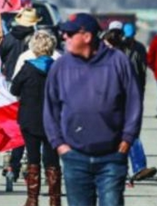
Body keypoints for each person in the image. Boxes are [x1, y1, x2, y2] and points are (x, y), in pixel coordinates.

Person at [44, 13, 143, 206]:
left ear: (87, 37)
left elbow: (133, 102)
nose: (64, 37)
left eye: (70, 34)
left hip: (112, 156)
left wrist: (127, 139)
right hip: (74, 157)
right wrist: (59, 144)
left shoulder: (118, 61)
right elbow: (50, 108)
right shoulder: (60, 66)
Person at [10, 30, 61, 206]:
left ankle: (32, 199)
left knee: (33, 159)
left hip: (29, 119)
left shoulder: (27, 67)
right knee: (52, 160)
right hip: (52, 120)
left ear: (34, 48)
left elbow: (14, 90)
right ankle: (55, 200)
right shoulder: (58, 68)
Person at [102, 27, 157, 182]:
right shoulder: (133, 51)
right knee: (127, 134)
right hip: (126, 98)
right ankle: (133, 168)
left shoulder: (110, 57)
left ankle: (131, 168)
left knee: (126, 134)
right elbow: (142, 71)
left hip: (119, 100)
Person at [0, 7, 42, 180]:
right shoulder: (35, 40)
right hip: (30, 84)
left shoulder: (7, 38)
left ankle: (9, 156)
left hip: (9, 84)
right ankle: (25, 160)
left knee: (11, 122)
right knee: (28, 122)